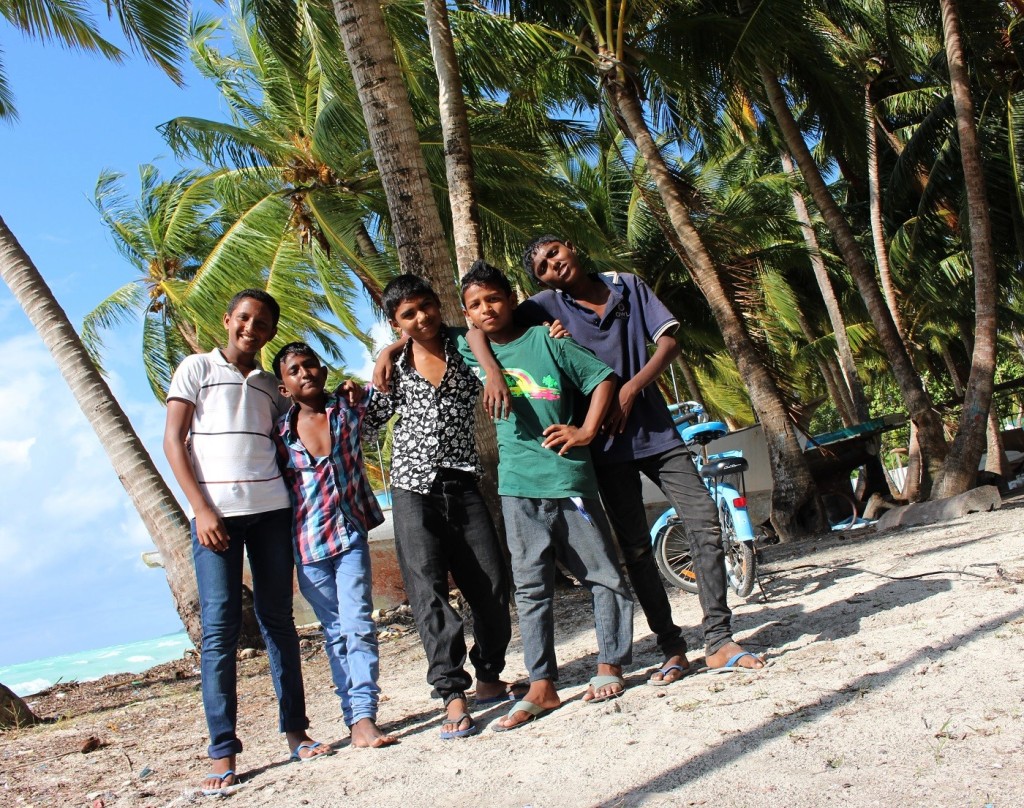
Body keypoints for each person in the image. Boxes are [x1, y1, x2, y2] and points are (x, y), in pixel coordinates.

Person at [514, 236, 766, 681]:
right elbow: (484, 323)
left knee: (705, 519)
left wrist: (631, 388)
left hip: (656, 433)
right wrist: (394, 348)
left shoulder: (627, 286)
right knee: (634, 549)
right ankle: (672, 647)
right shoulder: (546, 306)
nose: (554, 266)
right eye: (543, 267)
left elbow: (669, 343)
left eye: (555, 254)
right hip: (605, 449)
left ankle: (718, 638)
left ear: (572, 247)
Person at [163, 289, 331, 796]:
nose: (251, 329)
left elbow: (305, 411)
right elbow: (174, 441)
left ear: (270, 333)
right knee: (219, 630)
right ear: (228, 319)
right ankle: (222, 751)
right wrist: (202, 510)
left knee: (279, 621)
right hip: (215, 519)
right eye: (244, 318)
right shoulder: (195, 368)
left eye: (261, 323)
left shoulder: (269, 385)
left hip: (272, 515)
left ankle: (296, 733)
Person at [459, 260, 635, 731]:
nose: (486, 309)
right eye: (475, 304)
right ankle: (542, 684)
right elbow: (424, 336)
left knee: (602, 574)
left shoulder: (547, 341)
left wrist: (586, 430)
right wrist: (489, 369)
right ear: (467, 312)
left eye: (493, 298)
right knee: (531, 587)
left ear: (511, 297)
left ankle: (610, 663)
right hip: (517, 488)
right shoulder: (470, 347)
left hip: (569, 480)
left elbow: (603, 379)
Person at [361, 274, 525, 740]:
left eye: (426, 307)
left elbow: (496, 332)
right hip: (412, 490)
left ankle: (490, 678)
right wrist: (380, 367)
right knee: (429, 593)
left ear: (439, 305)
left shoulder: (466, 347)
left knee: (493, 583)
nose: (421, 318)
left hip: (464, 483)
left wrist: (493, 371)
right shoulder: (396, 367)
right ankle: (452, 694)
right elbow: (369, 428)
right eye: (408, 314)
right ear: (397, 323)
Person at [272, 342, 398, 749]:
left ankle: (363, 717)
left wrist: (389, 349)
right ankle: (352, 715)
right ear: (284, 386)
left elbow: (387, 391)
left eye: (311, 365)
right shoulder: (278, 434)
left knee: (359, 624)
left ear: (323, 371)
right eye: (295, 370)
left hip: (350, 535)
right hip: (307, 548)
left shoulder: (348, 410)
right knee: (335, 633)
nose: (305, 373)